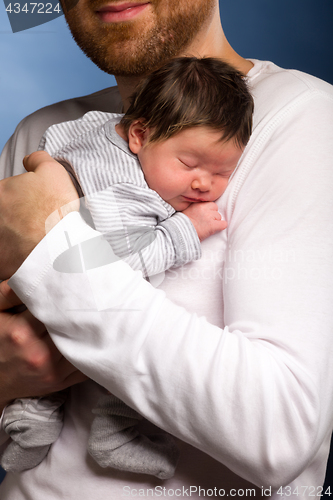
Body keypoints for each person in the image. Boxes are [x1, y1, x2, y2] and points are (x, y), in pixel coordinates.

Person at [0, 0, 332, 499]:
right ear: (138, 136)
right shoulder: (42, 134)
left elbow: (278, 437)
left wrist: (50, 239)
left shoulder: (303, 119)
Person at [0, 56, 253, 479]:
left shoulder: (98, 125)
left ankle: (30, 417)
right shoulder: (131, 195)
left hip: (29, 291)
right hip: (64, 291)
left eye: (222, 172)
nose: (203, 184)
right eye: (189, 165)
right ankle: (114, 429)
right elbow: (115, 267)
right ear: (139, 134)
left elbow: (52, 142)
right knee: (132, 329)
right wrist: (183, 231)